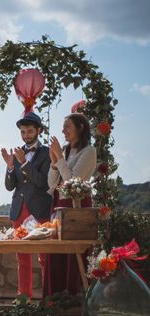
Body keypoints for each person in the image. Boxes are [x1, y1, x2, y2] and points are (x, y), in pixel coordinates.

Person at [43, 112, 97, 296]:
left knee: (74, 255)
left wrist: (59, 158)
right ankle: (54, 301)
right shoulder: (64, 151)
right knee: (55, 254)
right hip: (58, 205)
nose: (63, 130)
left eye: (67, 127)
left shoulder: (89, 151)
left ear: (80, 128)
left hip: (77, 208)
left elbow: (73, 182)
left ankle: (74, 300)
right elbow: (52, 184)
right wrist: (53, 163)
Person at [1, 112, 52, 298]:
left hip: (40, 210)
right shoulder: (16, 153)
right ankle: (24, 298)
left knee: (45, 257)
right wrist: (10, 167)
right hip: (19, 209)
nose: (26, 135)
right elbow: (9, 186)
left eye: (29, 131)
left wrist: (23, 162)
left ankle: (49, 300)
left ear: (38, 130)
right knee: (22, 258)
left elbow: (43, 182)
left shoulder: (47, 153)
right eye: (23, 132)